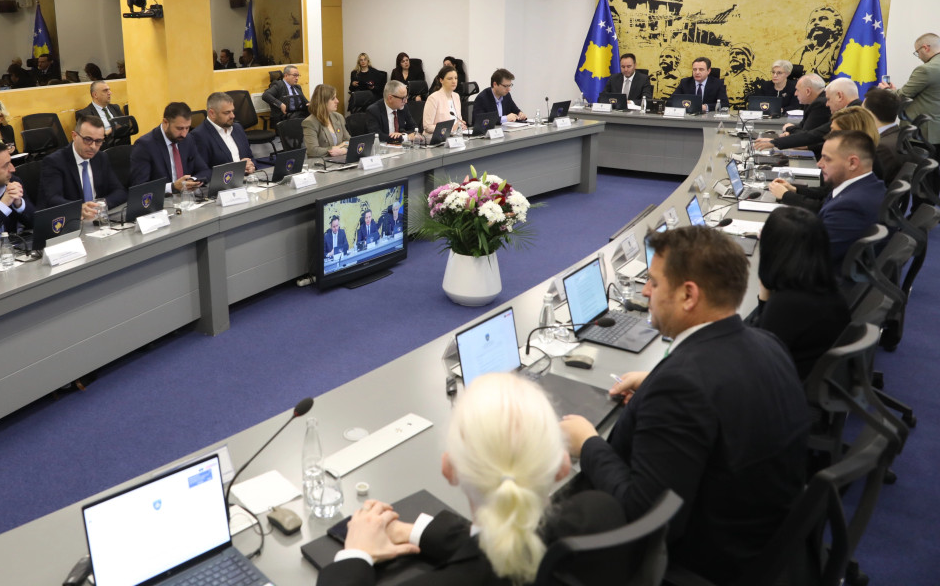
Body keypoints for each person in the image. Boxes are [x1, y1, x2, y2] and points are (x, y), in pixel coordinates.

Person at [560, 225, 809, 584]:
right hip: (760, 539)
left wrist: (587, 444)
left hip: (702, 561)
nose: (644, 292)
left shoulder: (682, 387)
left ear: (688, 295)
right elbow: (718, 399)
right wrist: (653, 387)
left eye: (654, 283)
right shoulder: (767, 343)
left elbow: (643, 514)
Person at [319, 373, 625, 586]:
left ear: (448, 469)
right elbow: (507, 542)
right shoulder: (600, 515)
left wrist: (355, 553)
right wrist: (413, 532)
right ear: (561, 465)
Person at [747, 206, 852, 381]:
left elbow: (755, 357)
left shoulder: (788, 304)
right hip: (810, 376)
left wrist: (765, 296)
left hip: (786, 387)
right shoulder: (823, 285)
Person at [770, 105, 884, 209]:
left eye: (834, 131)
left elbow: (825, 207)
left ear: (850, 132)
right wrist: (795, 189)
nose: (829, 135)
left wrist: (786, 196)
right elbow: (827, 192)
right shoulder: (858, 156)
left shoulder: (865, 164)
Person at [815, 129, 885, 268]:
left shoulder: (851, 206)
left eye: (827, 158)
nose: (819, 163)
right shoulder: (870, 186)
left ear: (852, 163)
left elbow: (814, 255)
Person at [38, 115, 125, 219]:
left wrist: (99, 205)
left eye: (98, 141)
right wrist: (78, 208)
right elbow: (52, 199)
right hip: (70, 220)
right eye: (88, 139)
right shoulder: (55, 162)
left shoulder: (101, 157)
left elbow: (119, 191)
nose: (93, 146)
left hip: (98, 217)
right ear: (74, 136)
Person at [754, 75, 854, 153]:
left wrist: (776, 141)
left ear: (839, 96)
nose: (827, 103)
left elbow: (812, 135)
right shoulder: (850, 111)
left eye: (828, 99)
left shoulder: (850, 113)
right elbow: (809, 132)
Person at [130, 102, 210, 195]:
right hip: (162, 199)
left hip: (187, 198)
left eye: (187, 128)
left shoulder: (188, 140)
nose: (184, 134)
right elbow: (139, 187)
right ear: (165, 122)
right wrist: (173, 187)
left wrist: (192, 180)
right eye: (179, 128)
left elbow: (205, 171)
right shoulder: (145, 145)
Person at [880, 32, 940, 143]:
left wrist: (886, 90)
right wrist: (895, 91)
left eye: (917, 52)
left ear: (925, 48)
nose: (919, 57)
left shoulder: (926, 69)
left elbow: (903, 95)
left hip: (922, 134)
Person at [189, 92, 256, 174]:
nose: (232, 116)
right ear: (212, 113)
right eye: (227, 113)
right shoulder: (198, 136)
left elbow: (250, 157)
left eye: (232, 111)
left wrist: (251, 166)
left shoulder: (237, 128)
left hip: (247, 178)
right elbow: (202, 172)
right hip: (223, 182)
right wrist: (237, 169)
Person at [863, 87, 906, 183]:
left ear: (869, 115)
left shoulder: (881, 148)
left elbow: (872, 182)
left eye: (862, 111)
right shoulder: (899, 135)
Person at [302, 84, 351, 158]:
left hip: (340, 158)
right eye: (333, 98)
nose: (337, 101)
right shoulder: (310, 122)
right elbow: (312, 151)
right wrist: (337, 148)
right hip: (321, 162)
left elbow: (348, 141)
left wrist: (343, 151)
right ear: (323, 102)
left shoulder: (338, 117)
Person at [422, 65, 467, 134]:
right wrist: (451, 128)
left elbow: (458, 120)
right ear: (441, 80)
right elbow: (427, 127)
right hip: (437, 138)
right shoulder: (433, 98)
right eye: (450, 79)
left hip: (455, 136)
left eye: (456, 78)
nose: (454, 81)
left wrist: (461, 125)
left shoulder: (456, 96)